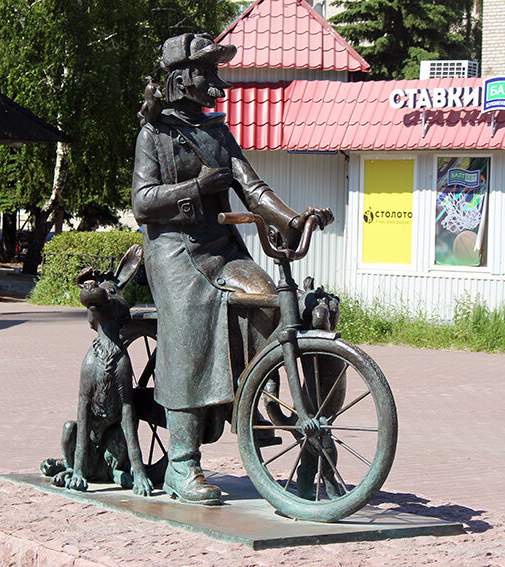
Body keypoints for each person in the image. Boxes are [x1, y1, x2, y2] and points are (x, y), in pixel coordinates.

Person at [131, 33, 332, 505]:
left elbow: (253, 188)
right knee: (193, 321)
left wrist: (292, 217)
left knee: (265, 297)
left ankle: (257, 405)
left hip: (219, 245)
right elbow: (141, 203)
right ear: (181, 78)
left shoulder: (218, 132)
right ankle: (182, 465)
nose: (215, 82)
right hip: (174, 252)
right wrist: (196, 189)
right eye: (206, 73)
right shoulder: (154, 134)